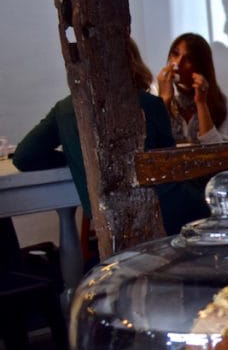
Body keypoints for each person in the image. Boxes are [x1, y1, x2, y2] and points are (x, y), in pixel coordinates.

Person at [13, 39, 209, 239]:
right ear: (131, 62)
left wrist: (74, 159)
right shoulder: (150, 104)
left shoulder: (64, 110)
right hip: (163, 208)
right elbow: (170, 166)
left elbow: (24, 156)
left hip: (109, 218)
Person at [156, 32, 228, 144]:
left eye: (188, 59)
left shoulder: (218, 101)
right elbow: (151, 144)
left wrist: (201, 103)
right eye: (175, 54)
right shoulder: (154, 92)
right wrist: (164, 100)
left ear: (200, 66)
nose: (178, 63)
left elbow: (217, 150)